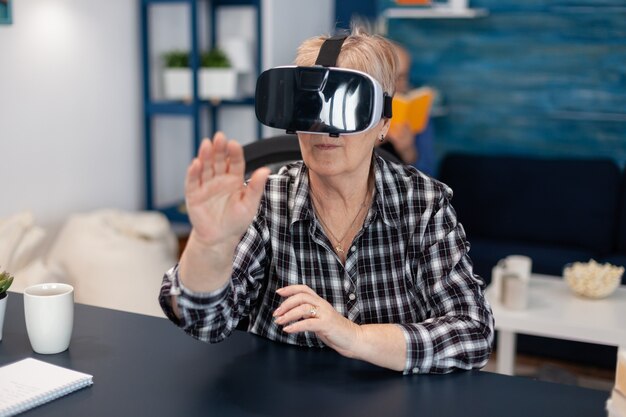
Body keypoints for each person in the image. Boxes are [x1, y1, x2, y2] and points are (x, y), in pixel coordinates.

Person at [159, 26, 494, 375]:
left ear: (383, 123)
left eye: (346, 106)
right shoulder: (265, 203)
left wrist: (354, 337)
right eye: (310, 106)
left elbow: (474, 332)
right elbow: (205, 323)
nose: (323, 127)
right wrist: (210, 245)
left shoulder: (423, 203)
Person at [380, 42, 436, 176]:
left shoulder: (418, 112)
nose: (396, 84)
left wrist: (407, 150)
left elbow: (429, 176)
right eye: (391, 76)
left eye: (402, 77)